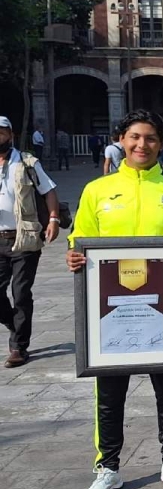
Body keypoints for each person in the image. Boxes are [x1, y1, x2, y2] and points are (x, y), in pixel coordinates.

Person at [66, 110, 163, 489]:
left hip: (160, 309)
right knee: (109, 392)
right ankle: (107, 468)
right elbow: (79, 239)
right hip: (112, 311)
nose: (141, 145)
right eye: (133, 137)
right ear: (121, 140)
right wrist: (74, 256)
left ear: (161, 144)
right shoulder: (97, 190)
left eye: (149, 138)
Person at [0, 115, 60, 368]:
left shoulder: (26, 162)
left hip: (24, 237)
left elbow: (48, 191)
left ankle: (18, 347)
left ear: (10, 134)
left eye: (1, 132)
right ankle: (16, 324)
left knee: (21, 293)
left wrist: (54, 219)